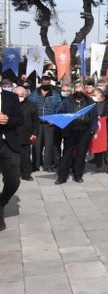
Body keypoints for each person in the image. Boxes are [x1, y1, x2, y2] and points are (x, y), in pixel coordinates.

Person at [56, 86, 97, 184]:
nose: (79, 92)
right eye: (76, 90)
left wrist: (92, 130)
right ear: (74, 91)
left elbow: (95, 117)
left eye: (80, 90)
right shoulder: (67, 101)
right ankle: (62, 177)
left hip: (84, 132)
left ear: (84, 91)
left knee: (81, 155)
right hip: (71, 131)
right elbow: (60, 112)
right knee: (67, 155)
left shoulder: (90, 102)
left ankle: (78, 175)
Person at [28, 71, 62, 172]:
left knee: (49, 145)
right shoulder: (34, 94)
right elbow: (29, 107)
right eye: (44, 81)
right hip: (37, 123)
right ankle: (36, 165)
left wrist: (55, 119)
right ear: (41, 82)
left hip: (49, 124)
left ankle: (47, 165)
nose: (46, 83)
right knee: (36, 145)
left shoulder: (55, 95)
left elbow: (59, 108)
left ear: (50, 82)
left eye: (48, 81)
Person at [0, 85, 23, 232]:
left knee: (14, 180)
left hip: (8, 144)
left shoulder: (11, 97)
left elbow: (19, 119)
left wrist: (7, 120)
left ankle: (1, 202)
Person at [15, 85, 39, 181]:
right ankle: (13, 174)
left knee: (25, 156)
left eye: (21, 95)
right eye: (17, 95)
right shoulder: (9, 104)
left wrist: (34, 133)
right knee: (13, 157)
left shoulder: (31, 105)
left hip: (26, 134)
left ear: (25, 95)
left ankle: (26, 173)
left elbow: (35, 121)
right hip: (12, 134)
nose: (19, 97)